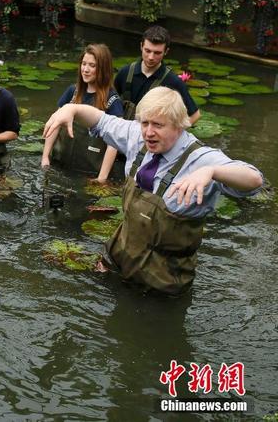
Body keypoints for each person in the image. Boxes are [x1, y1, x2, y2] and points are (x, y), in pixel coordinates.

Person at [43, 86, 263, 295]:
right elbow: (101, 120)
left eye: (158, 125)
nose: (148, 132)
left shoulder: (200, 158)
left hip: (163, 282)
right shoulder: (137, 137)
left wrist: (212, 171)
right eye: (144, 123)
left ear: (179, 125)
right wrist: (71, 109)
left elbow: (254, 180)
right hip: (119, 260)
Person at [42, 43, 124, 182]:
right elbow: (55, 123)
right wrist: (45, 157)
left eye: (92, 66)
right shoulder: (72, 92)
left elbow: (114, 142)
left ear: (103, 69)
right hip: (62, 164)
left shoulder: (112, 100)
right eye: (83, 64)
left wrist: (102, 177)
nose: (85, 70)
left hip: (89, 171)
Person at [114, 25, 201, 125]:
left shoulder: (173, 81)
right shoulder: (125, 72)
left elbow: (195, 115)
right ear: (141, 46)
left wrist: (172, 135)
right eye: (147, 51)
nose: (151, 57)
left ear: (166, 52)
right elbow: (108, 100)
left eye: (157, 53)